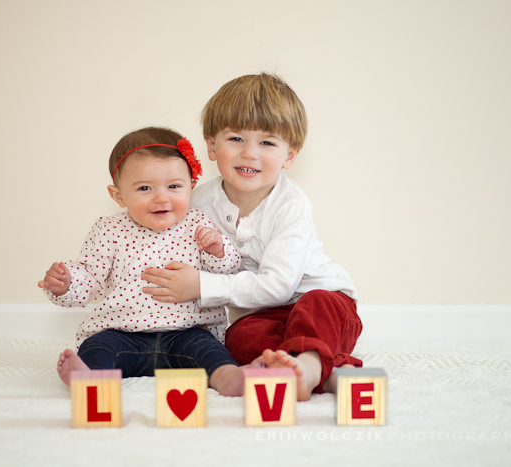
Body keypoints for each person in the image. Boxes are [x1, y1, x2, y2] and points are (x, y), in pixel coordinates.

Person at [141, 74, 363, 401]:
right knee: (239, 339)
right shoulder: (198, 202)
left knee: (318, 307)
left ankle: (310, 368)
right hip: (262, 314)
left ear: (290, 156)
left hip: (320, 299)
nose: (249, 153)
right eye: (236, 139)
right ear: (212, 146)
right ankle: (322, 373)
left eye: (267, 143)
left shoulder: (291, 205)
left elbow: (279, 286)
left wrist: (201, 285)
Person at [38, 127, 244, 396]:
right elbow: (91, 280)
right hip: (121, 332)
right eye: (145, 188)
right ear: (118, 195)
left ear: (190, 186)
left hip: (186, 331)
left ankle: (228, 376)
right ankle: (90, 379)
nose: (161, 197)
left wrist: (218, 250)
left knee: (209, 351)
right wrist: (66, 283)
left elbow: (227, 272)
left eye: (174, 186)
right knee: (97, 347)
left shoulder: (198, 224)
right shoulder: (108, 229)